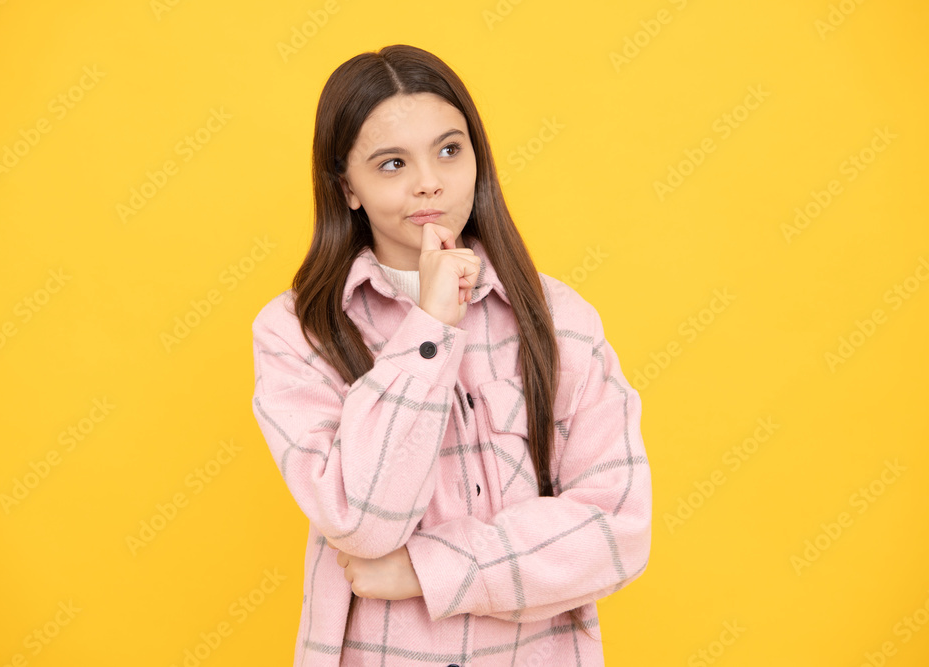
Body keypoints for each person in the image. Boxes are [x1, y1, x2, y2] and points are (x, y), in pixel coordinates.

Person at [251, 43, 652, 667]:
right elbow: (361, 519)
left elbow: (618, 530)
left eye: (448, 149)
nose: (429, 181)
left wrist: (425, 567)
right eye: (391, 164)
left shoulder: (558, 318)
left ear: (476, 158)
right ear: (347, 187)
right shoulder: (296, 333)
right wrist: (432, 324)